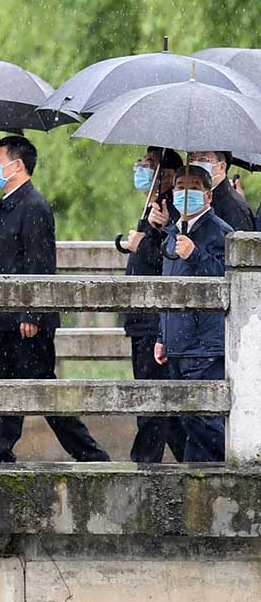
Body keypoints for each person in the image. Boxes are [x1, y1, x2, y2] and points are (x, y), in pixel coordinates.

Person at [0, 136, 110, 463]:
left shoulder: (34, 206)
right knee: (0, 386)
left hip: (27, 321)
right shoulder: (8, 203)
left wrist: (32, 312)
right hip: (3, 316)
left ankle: (91, 456)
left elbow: (40, 265)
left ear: (17, 165)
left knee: (44, 393)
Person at [151, 162, 229, 463]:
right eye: (181, 186)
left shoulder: (220, 232)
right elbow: (169, 288)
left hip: (205, 345)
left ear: (208, 196)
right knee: (189, 423)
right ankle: (200, 490)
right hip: (177, 344)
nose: (186, 193)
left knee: (205, 420)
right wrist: (162, 334)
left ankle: (246, 470)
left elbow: (227, 280)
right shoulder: (173, 233)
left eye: (194, 188)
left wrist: (195, 255)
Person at [122, 146, 186, 463]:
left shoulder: (172, 212)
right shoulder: (150, 207)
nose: (142, 169)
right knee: (155, 399)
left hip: (155, 321)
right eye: (143, 163)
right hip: (140, 317)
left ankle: (146, 461)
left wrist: (146, 240)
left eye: (150, 165)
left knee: (153, 396)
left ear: (169, 176)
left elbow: (170, 260)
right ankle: (190, 456)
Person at [187, 150, 255, 231]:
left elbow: (241, 242)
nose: (195, 164)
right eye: (191, 159)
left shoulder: (234, 206)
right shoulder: (194, 197)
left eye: (203, 159)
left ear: (222, 167)